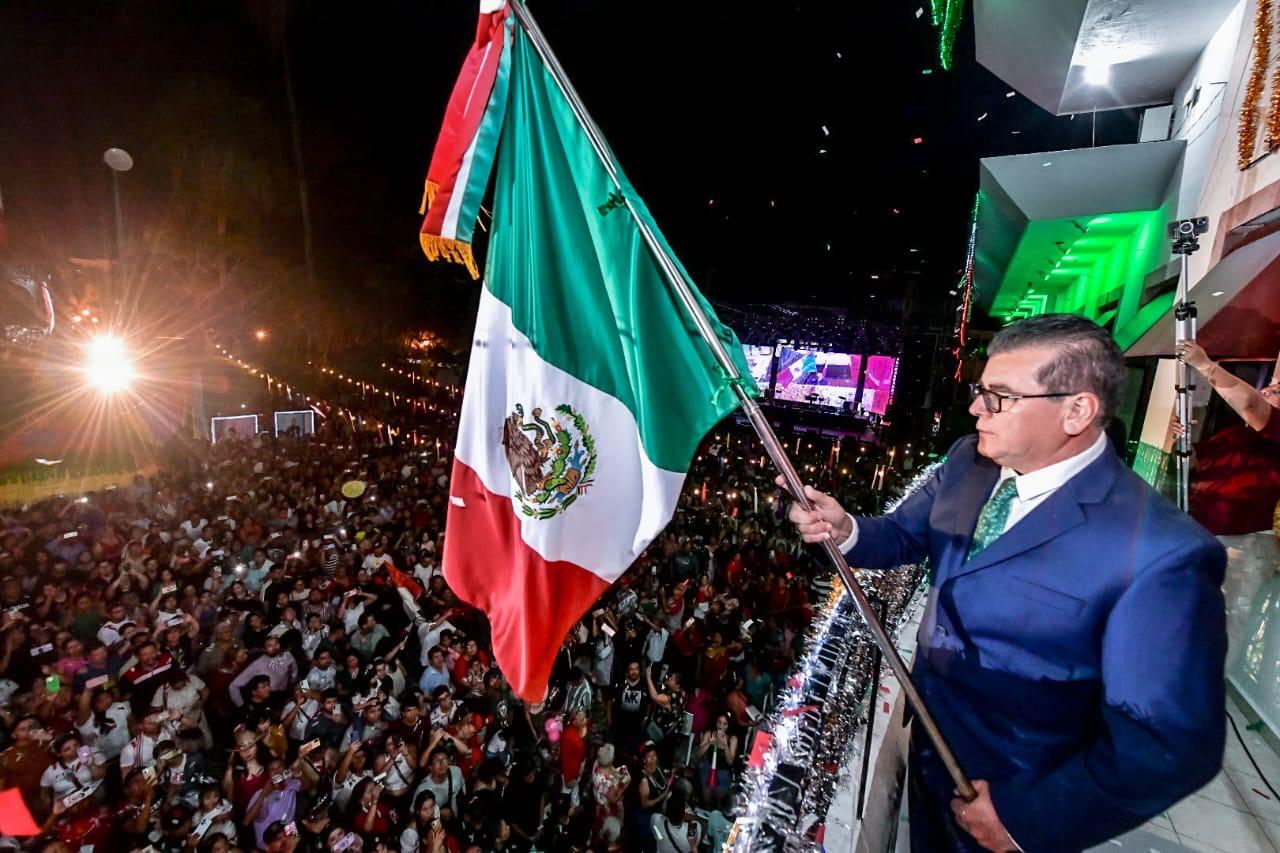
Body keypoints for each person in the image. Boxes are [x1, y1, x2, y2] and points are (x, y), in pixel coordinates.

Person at [784, 314, 1227, 852]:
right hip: (930, 754)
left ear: (1077, 409)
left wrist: (1027, 819)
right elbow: (903, 536)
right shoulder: (967, 462)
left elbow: (1169, 744)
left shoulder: (1161, 554)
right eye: (979, 391)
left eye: (999, 397)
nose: (976, 409)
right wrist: (847, 527)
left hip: (1011, 799)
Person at [1176, 342, 1280, 534]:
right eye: (1268, 387)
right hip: (1199, 532)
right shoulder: (1235, 435)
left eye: (1277, 391)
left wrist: (1205, 365)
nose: (1266, 390)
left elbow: (1250, 404)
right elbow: (1193, 463)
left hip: (1242, 545)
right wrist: (1181, 440)